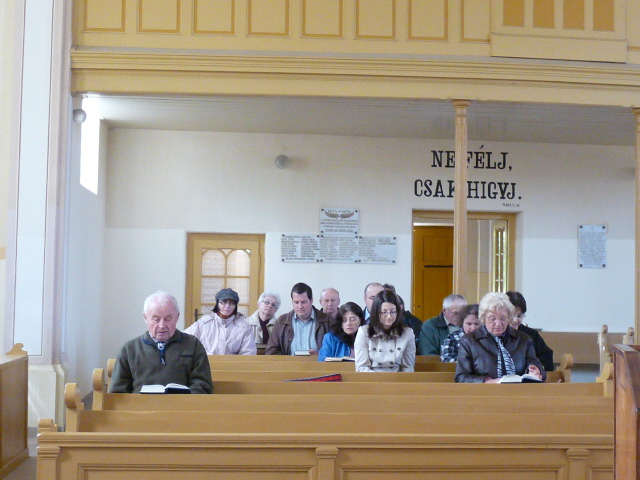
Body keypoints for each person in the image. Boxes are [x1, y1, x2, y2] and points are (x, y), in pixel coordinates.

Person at [109, 291, 213, 394]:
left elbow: (202, 385)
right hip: (141, 404)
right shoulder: (129, 349)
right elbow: (118, 391)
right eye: (156, 319)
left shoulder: (193, 345)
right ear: (145, 318)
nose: (162, 326)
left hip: (181, 404)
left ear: (177, 317)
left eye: (168, 319)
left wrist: (183, 401)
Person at [455, 292, 546, 383]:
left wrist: (537, 371)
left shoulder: (524, 340)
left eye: (503, 318)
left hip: (519, 390)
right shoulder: (469, 341)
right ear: (483, 318)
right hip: (484, 391)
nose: (498, 323)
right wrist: (487, 381)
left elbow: (536, 365)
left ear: (509, 318)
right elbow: (461, 378)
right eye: (492, 318)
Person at [354, 289, 416, 372]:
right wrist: (381, 379)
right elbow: (361, 367)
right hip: (371, 378)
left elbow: (408, 368)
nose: (389, 316)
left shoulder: (408, 333)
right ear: (376, 313)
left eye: (392, 312)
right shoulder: (364, 332)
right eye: (384, 312)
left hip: (397, 378)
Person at [265, 282, 331, 355]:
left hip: (319, 362)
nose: (300, 306)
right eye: (296, 302)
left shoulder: (327, 321)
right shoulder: (281, 322)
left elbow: (336, 352)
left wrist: (320, 356)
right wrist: (287, 360)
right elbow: (271, 351)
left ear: (311, 300)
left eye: (303, 302)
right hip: (290, 362)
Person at [184, 288, 256, 355]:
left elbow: (248, 353)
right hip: (205, 362)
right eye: (223, 302)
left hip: (233, 364)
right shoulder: (204, 323)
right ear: (217, 304)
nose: (227, 306)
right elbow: (186, 340)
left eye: (231, 303)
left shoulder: (244, 327)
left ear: (235, 306)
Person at [506, 291, 555, 371]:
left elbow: (546, 358)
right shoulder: (497, 333)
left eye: (519, 316)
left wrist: (538, 369)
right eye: (512, 315)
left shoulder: (531, 335)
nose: (515, 320)